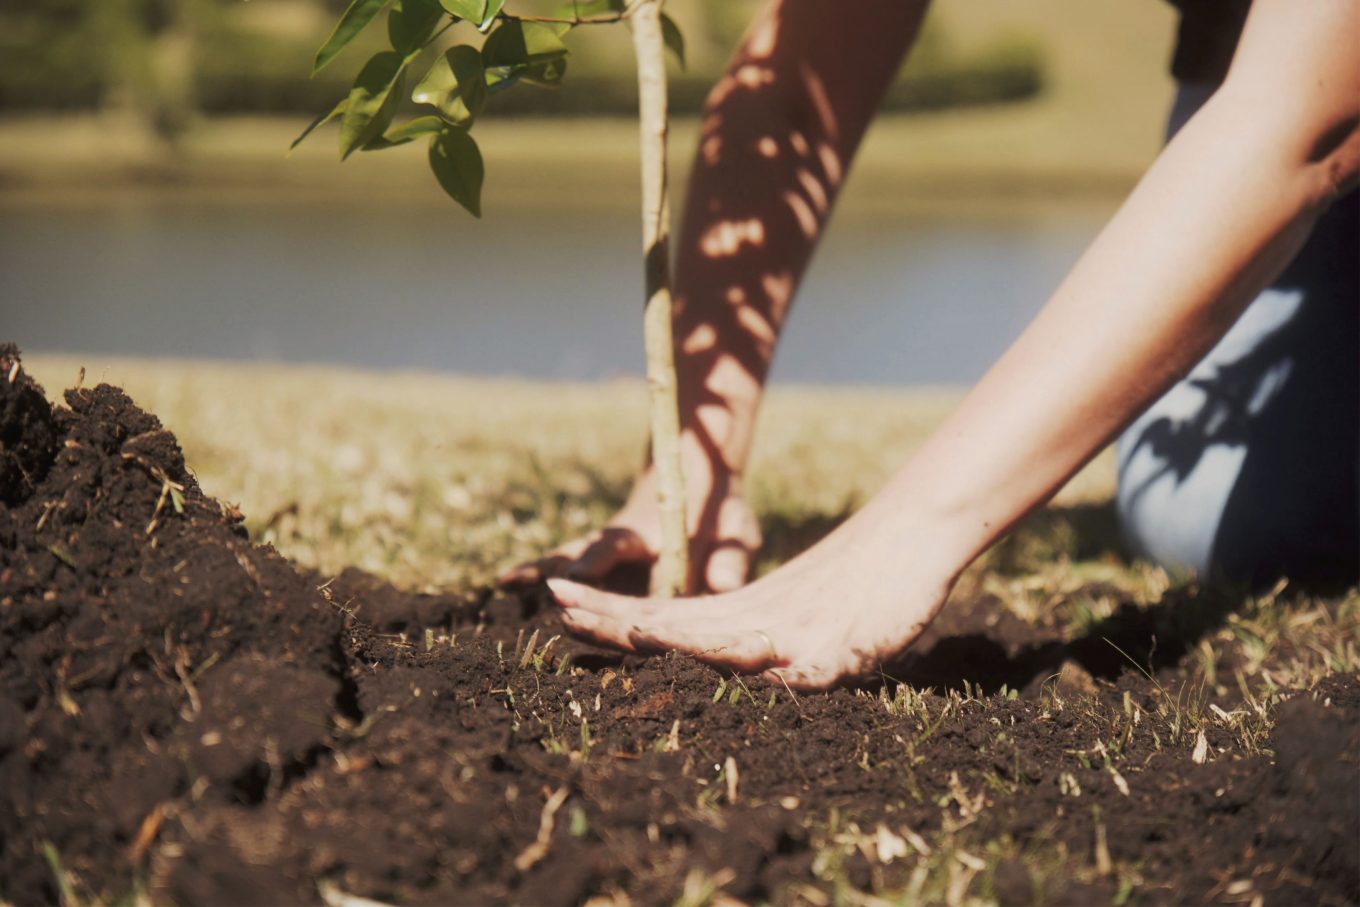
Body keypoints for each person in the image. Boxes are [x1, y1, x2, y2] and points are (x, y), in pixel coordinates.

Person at [501, 0, 1360, 689]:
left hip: (1314, 81)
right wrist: (692, 465)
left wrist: (900, 542)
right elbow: (799, 85)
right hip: (1242, 54)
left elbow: (1305, 124)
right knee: (1201, 512)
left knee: (1235, 520)